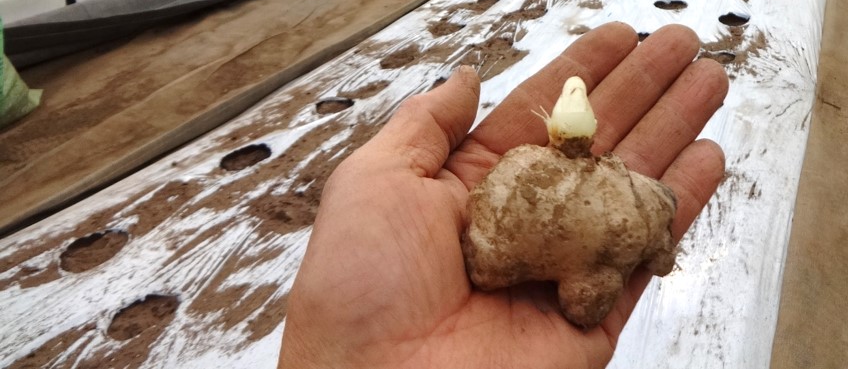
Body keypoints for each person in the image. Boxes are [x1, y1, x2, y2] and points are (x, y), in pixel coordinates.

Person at [278, 22, 727, 369]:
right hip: (502, 240)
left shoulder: (562, 180)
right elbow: (587, 302)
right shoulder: (596, 209)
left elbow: (589, 294)